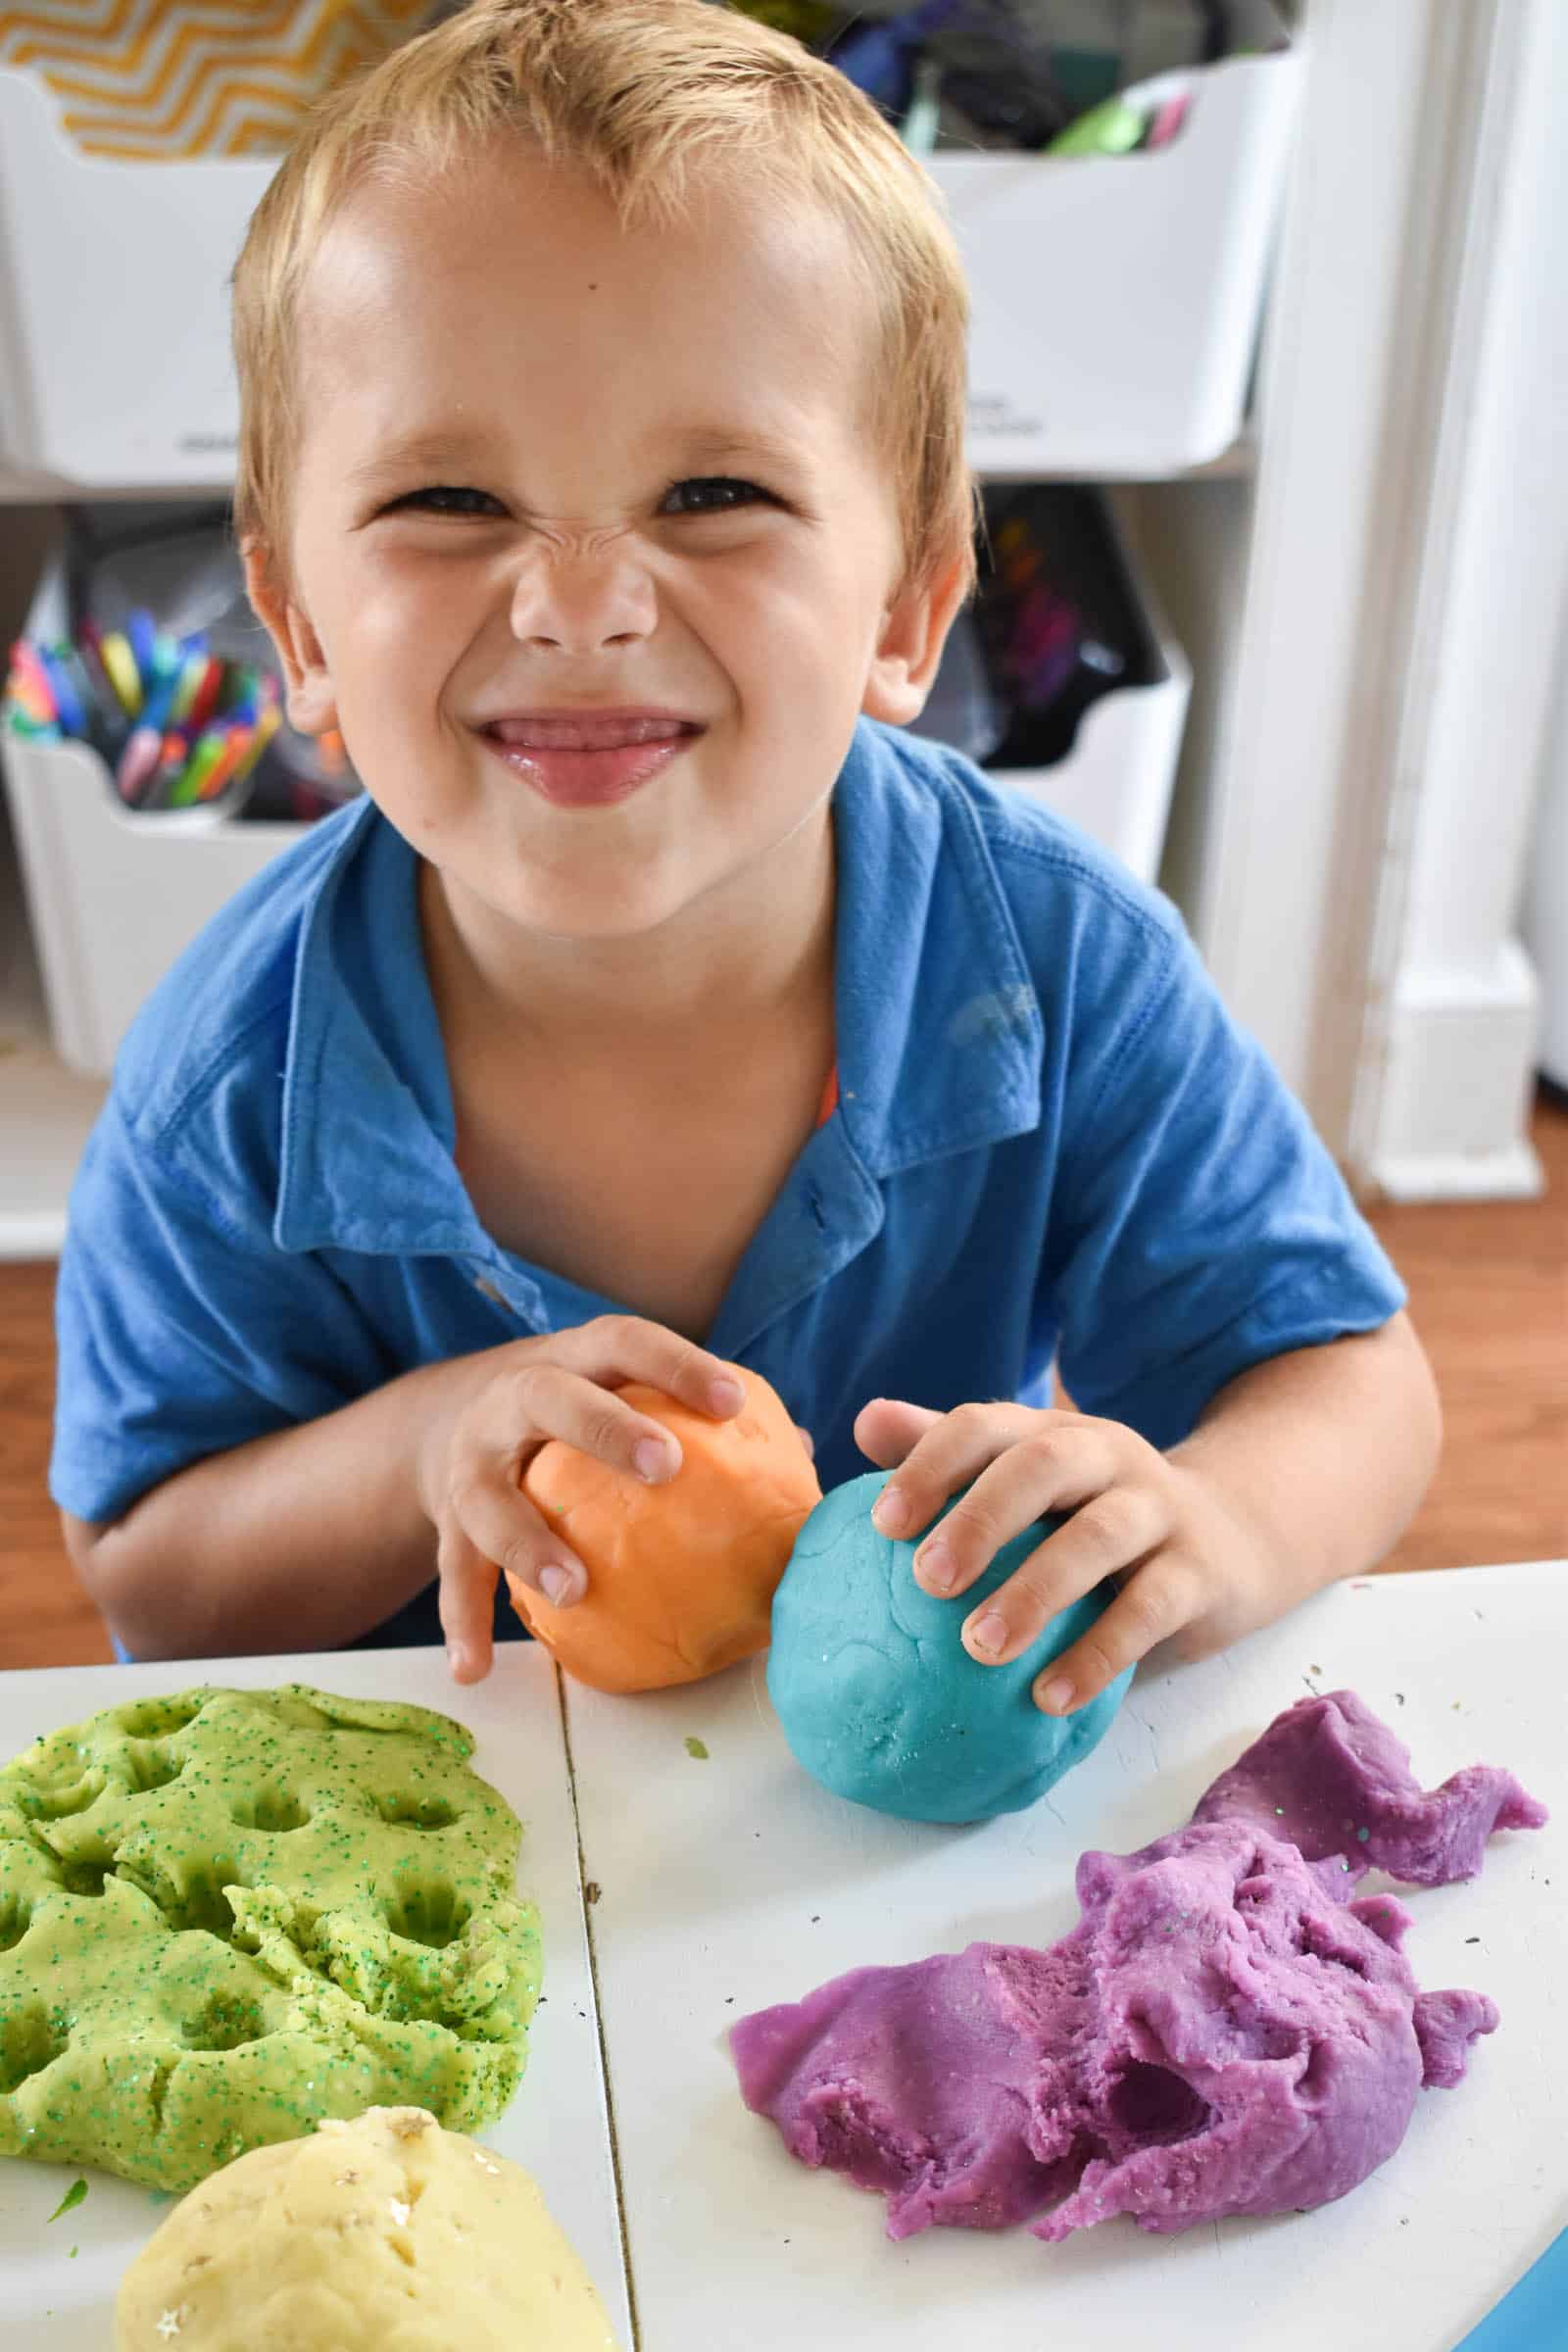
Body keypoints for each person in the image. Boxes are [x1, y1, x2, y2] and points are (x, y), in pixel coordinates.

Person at [51, 0, 1439, 1718]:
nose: (579, 605)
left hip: (872, 1841)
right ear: (298, 628)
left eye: (711, 491)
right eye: (448, 504)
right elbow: (155, 1577)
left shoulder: (1054, 962)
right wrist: (429, 1446)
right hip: (451, 1837)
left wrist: (1215, 1521)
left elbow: (1353, 1382)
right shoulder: (234, 1084)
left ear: (915, 605)